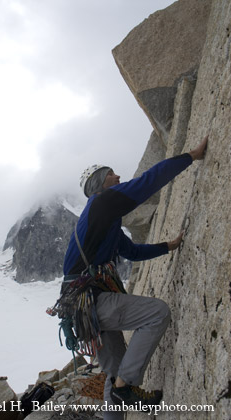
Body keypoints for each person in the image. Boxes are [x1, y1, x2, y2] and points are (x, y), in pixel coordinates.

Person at [62, 136, 208, 419]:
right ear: (101, 183)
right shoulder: (102, 204)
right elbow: (148, 182)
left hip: (83, 310)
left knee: (113, 372)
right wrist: (191, 156)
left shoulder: (104, 223)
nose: (117, 176)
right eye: (111, 173)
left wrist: (167, 246)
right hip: (92, 302)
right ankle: (125, 388)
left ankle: (120, 388)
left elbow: (132, 252)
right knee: (157, 313)